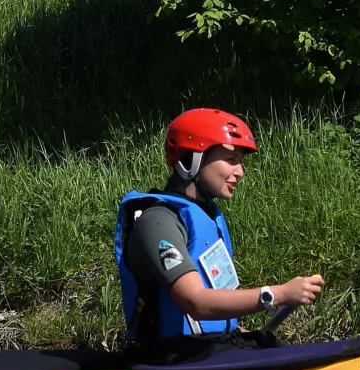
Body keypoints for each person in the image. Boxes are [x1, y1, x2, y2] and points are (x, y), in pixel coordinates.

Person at [114, 108, 324, 350]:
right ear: (191, 159)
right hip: (172, 358)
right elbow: (196, 303)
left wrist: (239, 332)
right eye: (231, 160)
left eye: (241, 162)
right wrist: (278, 294)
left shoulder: (208, 216)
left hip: (210, 349)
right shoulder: (157, 223)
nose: (240, 172)